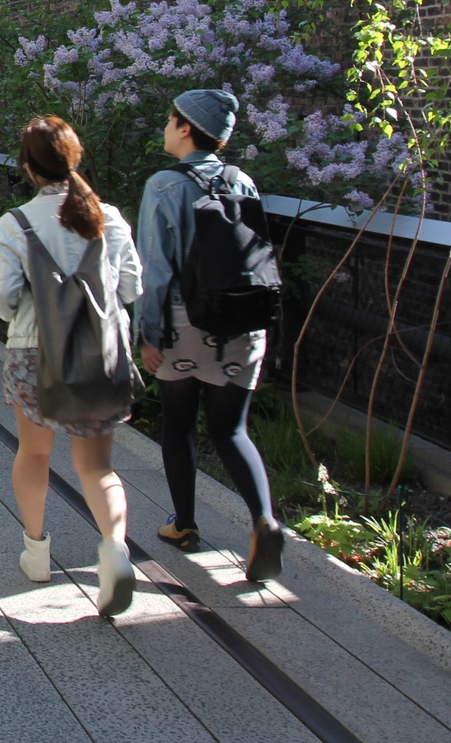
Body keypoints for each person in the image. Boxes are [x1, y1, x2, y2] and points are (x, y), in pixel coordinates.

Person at [0, 115, 145, 616]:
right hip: (99, 353)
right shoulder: (109, 217)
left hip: (34, 352)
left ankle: (36, 555)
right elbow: (130, 288)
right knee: (97, 466)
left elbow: (4, 296)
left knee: (34, 453)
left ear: (28, 169)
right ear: (73, 158)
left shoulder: (17, 222)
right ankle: (116, 553)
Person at [137, 88, 286, 583]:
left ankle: (184, 526)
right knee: (231, 430)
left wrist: (149, 333)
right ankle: (264, 518)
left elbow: (155, 269)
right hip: (242, 325)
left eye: (169, 118)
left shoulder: (163, 185)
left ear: (185, 128)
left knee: (178, 426)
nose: (165, 126)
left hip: (184, 324)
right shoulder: (242, 180)